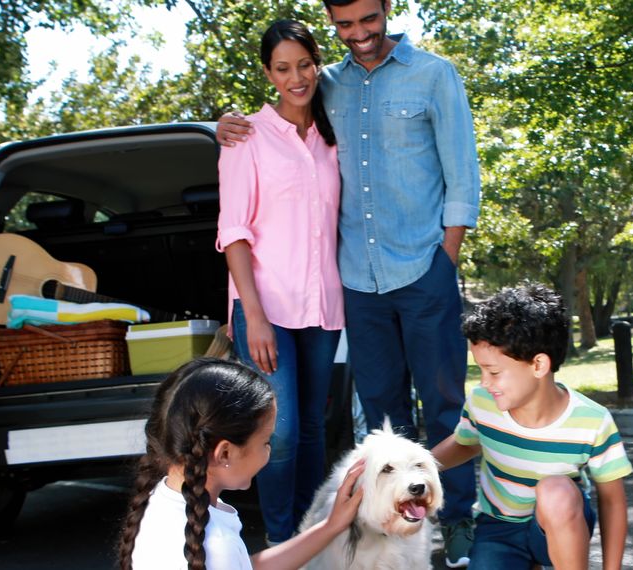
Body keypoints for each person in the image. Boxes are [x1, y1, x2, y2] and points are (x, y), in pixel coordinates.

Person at [216, 1, 481, 565]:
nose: (359, 34)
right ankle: (379, 538)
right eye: (345, 24)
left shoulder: (432, 75)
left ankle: (458, 521)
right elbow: (246, 196)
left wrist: (446, 261)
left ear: (387, 9)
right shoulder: (319, 89)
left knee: (443, 404)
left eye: (368, 19)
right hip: (356, 285)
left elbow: (463, 174)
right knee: (381, 416)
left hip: (420, 271)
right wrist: (223, 126)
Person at [215, 20, 344, 545]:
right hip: (263, 307)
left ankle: (312, 537)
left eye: (305, 65)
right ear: (269, 74)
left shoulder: (331, 136)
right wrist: (256, 317)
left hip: (322, 306)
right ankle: (280, 540)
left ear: (318, 63)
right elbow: (233, 232)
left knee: (313, 427)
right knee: (280, 431)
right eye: (284, 68)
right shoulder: (245, 136)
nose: (297, 77)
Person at [432, 284, 633, 570]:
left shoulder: (592, 421)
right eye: (480, 370)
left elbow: (613, 501)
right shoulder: (481, 403)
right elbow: (465, 443)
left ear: (538, 365)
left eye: (494, 372)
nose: (484, 382)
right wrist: (415, 466)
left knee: (556, 491)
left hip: (558, 525)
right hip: (498, 528)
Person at [116, 357, 365, 570]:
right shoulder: (216, 545)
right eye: (266, 442)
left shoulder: (164, 498)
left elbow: (248, 565)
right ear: (224, 453)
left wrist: (331, 526)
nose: (268, 452)